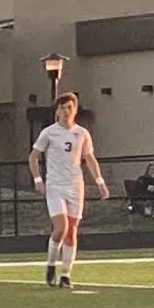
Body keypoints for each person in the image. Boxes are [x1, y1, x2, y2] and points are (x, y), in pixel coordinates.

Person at [30, 92, 109, 288]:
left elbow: (89, 158)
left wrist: (99, 182)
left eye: (69, 108)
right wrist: (38, 179)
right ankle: (50, 264)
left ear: (75, 110)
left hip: (75, 184)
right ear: (56, 111)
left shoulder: (81, 133)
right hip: (55, 185)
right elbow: (33, 157)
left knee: (72, 231)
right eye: (62, 108)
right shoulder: (49, 132)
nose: (66, 111)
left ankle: (65, 275)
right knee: (60, 229)